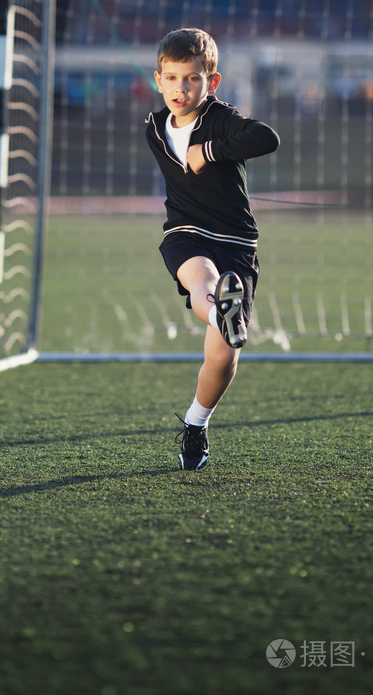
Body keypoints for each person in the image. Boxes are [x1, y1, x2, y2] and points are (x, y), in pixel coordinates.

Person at [145, 28, 280, 470]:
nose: (181, 89)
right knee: (201, 277)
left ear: (212, 82)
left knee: (223, 352)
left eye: (191, 79)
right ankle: (223, 305)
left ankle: (196, 423)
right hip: (184, 232)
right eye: (172, 78)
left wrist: (213, 151)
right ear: (157, 79)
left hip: (237, 242)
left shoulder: (221, 118)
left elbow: (266, 138)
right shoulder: (153, 128)